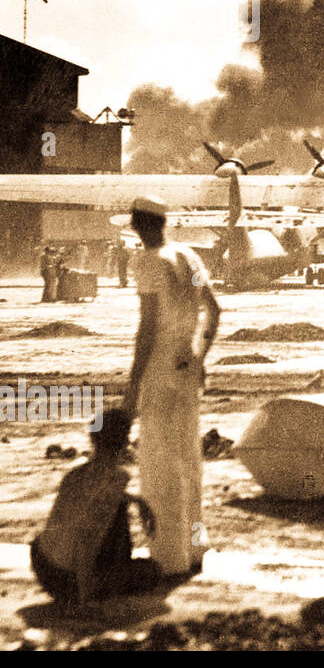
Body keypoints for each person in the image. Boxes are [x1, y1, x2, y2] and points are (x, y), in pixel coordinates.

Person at [121, 196, 220, 580]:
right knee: (188, 460)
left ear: (136, 225)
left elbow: (146, 332)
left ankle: (168, 557)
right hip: (186, 367)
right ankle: (194, 549)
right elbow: (214, 310)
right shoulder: (189, 257)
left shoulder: (147, 262)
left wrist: (132, 389)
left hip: (160, 369)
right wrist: (199, 356)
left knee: (160, 464)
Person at [31, 408, 161, 605]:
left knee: (117, 506)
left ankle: (104, 575)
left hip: (44, 565)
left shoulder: (74, 474)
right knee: (151, 571)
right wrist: (87, 599)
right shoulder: (116, 480)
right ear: (124, 444)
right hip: (69, 581)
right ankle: (108, 574)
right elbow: (86, 539)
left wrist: (137, 500)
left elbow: (86, 504)